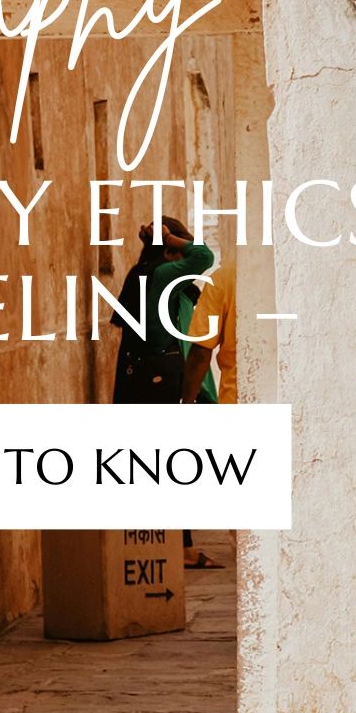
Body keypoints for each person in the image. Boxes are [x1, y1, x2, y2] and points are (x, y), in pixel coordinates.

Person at [111, 216, 221, 569]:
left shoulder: (137, 275)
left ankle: (159, 543)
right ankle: (179, 546)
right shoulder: (162, 275)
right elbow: (204, 257)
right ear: (172, 250)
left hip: (133, 377)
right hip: (161, 377)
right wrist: (175, 240)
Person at [183, 259, 236, 405]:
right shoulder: (294, 276)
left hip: (236, 397)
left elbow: (200, 353)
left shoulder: (224, 277)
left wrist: (186, 402)